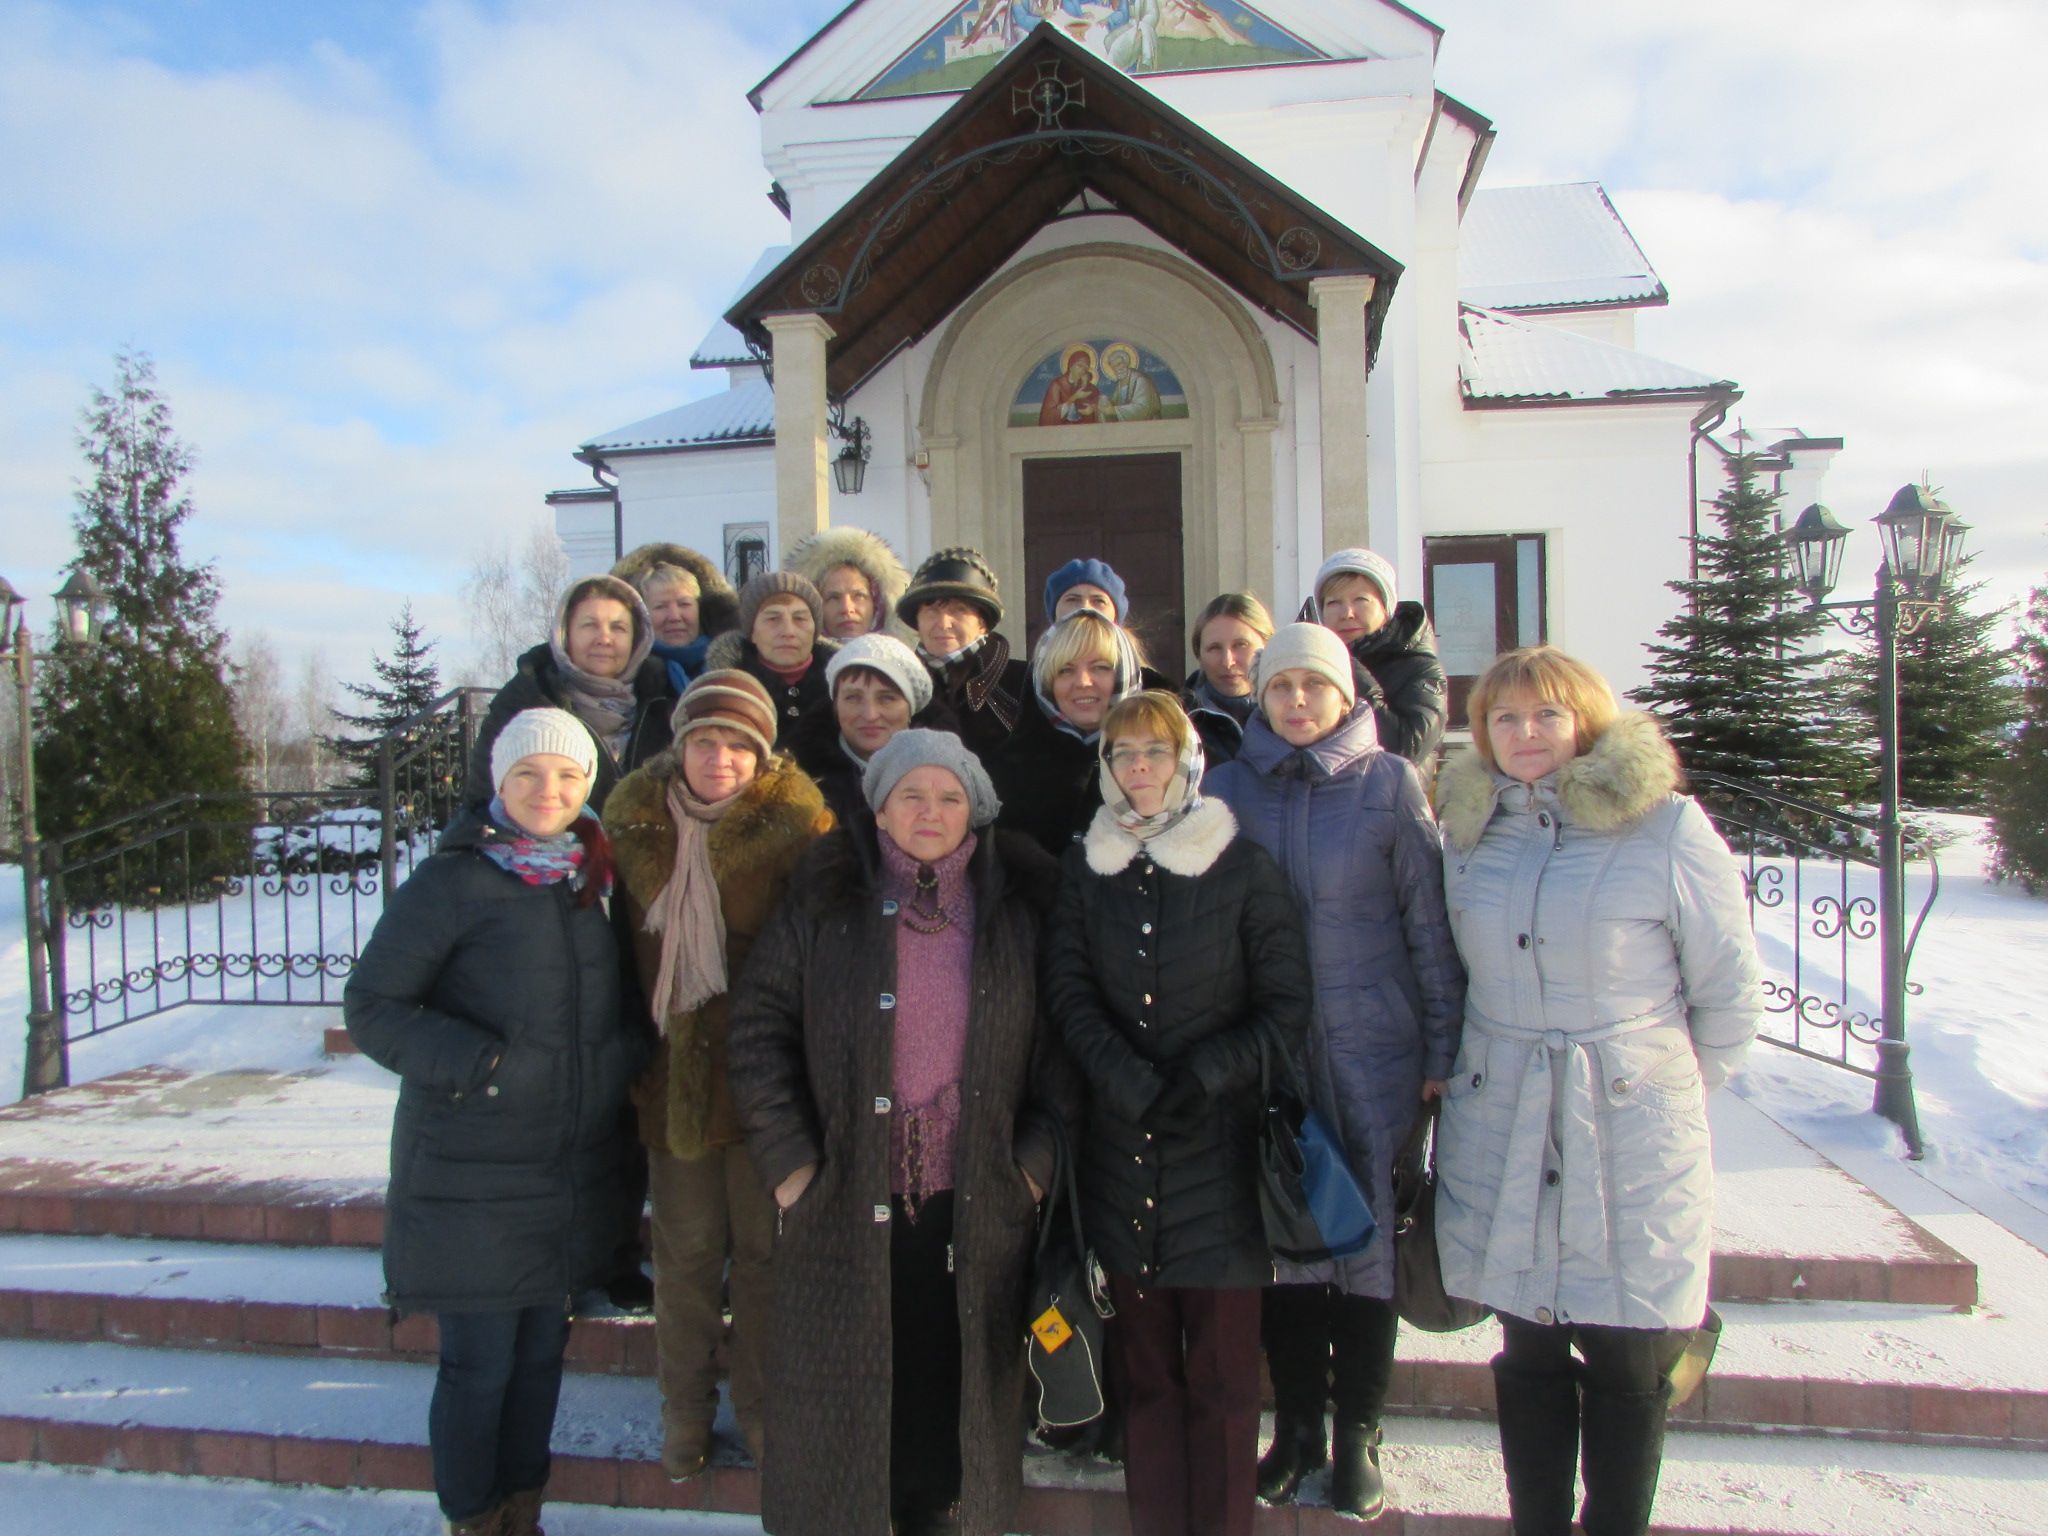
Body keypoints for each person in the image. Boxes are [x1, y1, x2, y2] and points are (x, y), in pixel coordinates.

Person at [1432, 647, 1761, 1536]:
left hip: (1626, 1128)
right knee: (1528, 1339)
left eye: (1546, 715)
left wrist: (1659, 1091)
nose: (1526, 734)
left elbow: (1728, 995)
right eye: (1506, 718)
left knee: (1627, 1354)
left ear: (1586, 722)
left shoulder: (1664, 830)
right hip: (1502, 1114)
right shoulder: (1468, 836)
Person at [728, 729, 1073, 1536]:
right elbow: (756, 1032)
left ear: (976, 811)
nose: (930, 811)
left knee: (951, 1368)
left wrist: (1030, 1169)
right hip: (845, 1191)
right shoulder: (825, 897)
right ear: (879, 806)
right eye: (911, 794)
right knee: (854, 1378)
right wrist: (791, 1168)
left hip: (977, 1191)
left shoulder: (1021, 906)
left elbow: (1064, 1056)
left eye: (950, 797)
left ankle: (943, 1514)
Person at [345, 709, 642, 1536]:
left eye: (568, 777)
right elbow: (373, 1007)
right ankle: (473, 1519)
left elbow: (613, 1004)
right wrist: (480, 1064)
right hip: (473, 1167)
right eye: (529, 776)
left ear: (590, 787)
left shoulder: (595, 877)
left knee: (542, 1360)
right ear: (499, 785)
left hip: (566, 1168)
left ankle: (523, 1513)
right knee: (479, 1365)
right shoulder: (454, 881)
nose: (549, 792)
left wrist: (621, 1061)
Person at [1203, 622, 1465, 1522]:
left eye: (1315, 686)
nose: (1298, 702)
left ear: (1347, 693)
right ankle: (1299, 1432)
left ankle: (1359, 1434)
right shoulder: (1230, 787)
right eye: (1281, 688)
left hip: (1374, 1058)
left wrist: (1439, 1049)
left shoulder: (1389, 785)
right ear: (1263, 698)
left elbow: (1427, 927)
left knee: (1368, 1249)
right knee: (1289, 1246)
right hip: (1274, 1057)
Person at [1043, 691, 1311, 1536]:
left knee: (1226, 1385)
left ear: (1189, 762)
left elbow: (1284, 1006)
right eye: (1122, 754)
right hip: (1121, 1157)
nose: (1139, 769)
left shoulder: (1242, 868)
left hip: (1219, 1159)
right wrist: (1123, 1077)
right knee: (1148, 1379)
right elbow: (1069, 990)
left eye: (1155, 752)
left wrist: (1205, 1078)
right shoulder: (1087, 868)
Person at [602, 670, 835, 1480]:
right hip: (672, 1086)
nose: (722, 759)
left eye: (740, 745)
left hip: (767, 1084)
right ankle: (684, 1413)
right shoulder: (635, 824)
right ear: (681, 745)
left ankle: (765, 1410)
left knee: (766, 1260)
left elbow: (820, 959)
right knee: (689, 1256)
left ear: (762, 753)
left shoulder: (800, 827)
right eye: (707, 740)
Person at [464, 575, 673, 812]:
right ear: (565, 635)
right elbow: (481, 805)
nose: (604, 638)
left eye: (618, 628)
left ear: (636, 640)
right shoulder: (526, 700)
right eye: (589, 625)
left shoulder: (664, 700)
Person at [986, 608, 1144, 856]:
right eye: (1065, 670)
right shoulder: (1006, 769)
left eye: (1100, 667)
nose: (1082, 682)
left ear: (1123, 674)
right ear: (1047, 683)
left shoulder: (1157, 759)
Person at [789, 632, 956, 829]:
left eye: (887, 698)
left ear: (911, 708)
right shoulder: (797, 784)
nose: (870, 715)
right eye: (853, 698)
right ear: (835, 706)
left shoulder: (954, 781)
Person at [1309, 548, 1449, 780]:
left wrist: (1349, 670)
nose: (1347, 613)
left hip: (1391, 807)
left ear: (1386, 608)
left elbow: (1406, 747)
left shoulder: (1421, 669)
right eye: (1334, 602)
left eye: (1360, 600)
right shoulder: (1311, 666)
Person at [898, 546, 1029, 761]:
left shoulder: (1023, 684)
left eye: (959, 610)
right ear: (917, 622)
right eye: (932, 610)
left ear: (982, 623)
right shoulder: (897, 687)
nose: (943, 623)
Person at [704, 572, 833, 745]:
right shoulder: (723, 692)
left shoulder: (842, 686)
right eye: (773, 619)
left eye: (800, 618)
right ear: (752, 632)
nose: (788, 631)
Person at [613, 542, 740, 696]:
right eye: (661, 607)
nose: (674, 617)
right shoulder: (626, 679)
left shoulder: (736, 670)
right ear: (641, 616)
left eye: (684, 604)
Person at [1181, 593, 1274, 766]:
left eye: (1241, 645)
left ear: (1268, 645)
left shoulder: (1294, 712)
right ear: (1199, 655)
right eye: (1214, 648)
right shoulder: (1179, 722)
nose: (1227, 661)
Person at [783, 526, 913, 643]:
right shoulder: (796, 666)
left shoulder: (906, 666)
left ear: (877, 603)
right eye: (833, 597)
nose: (847, 609)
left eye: (859, 596)